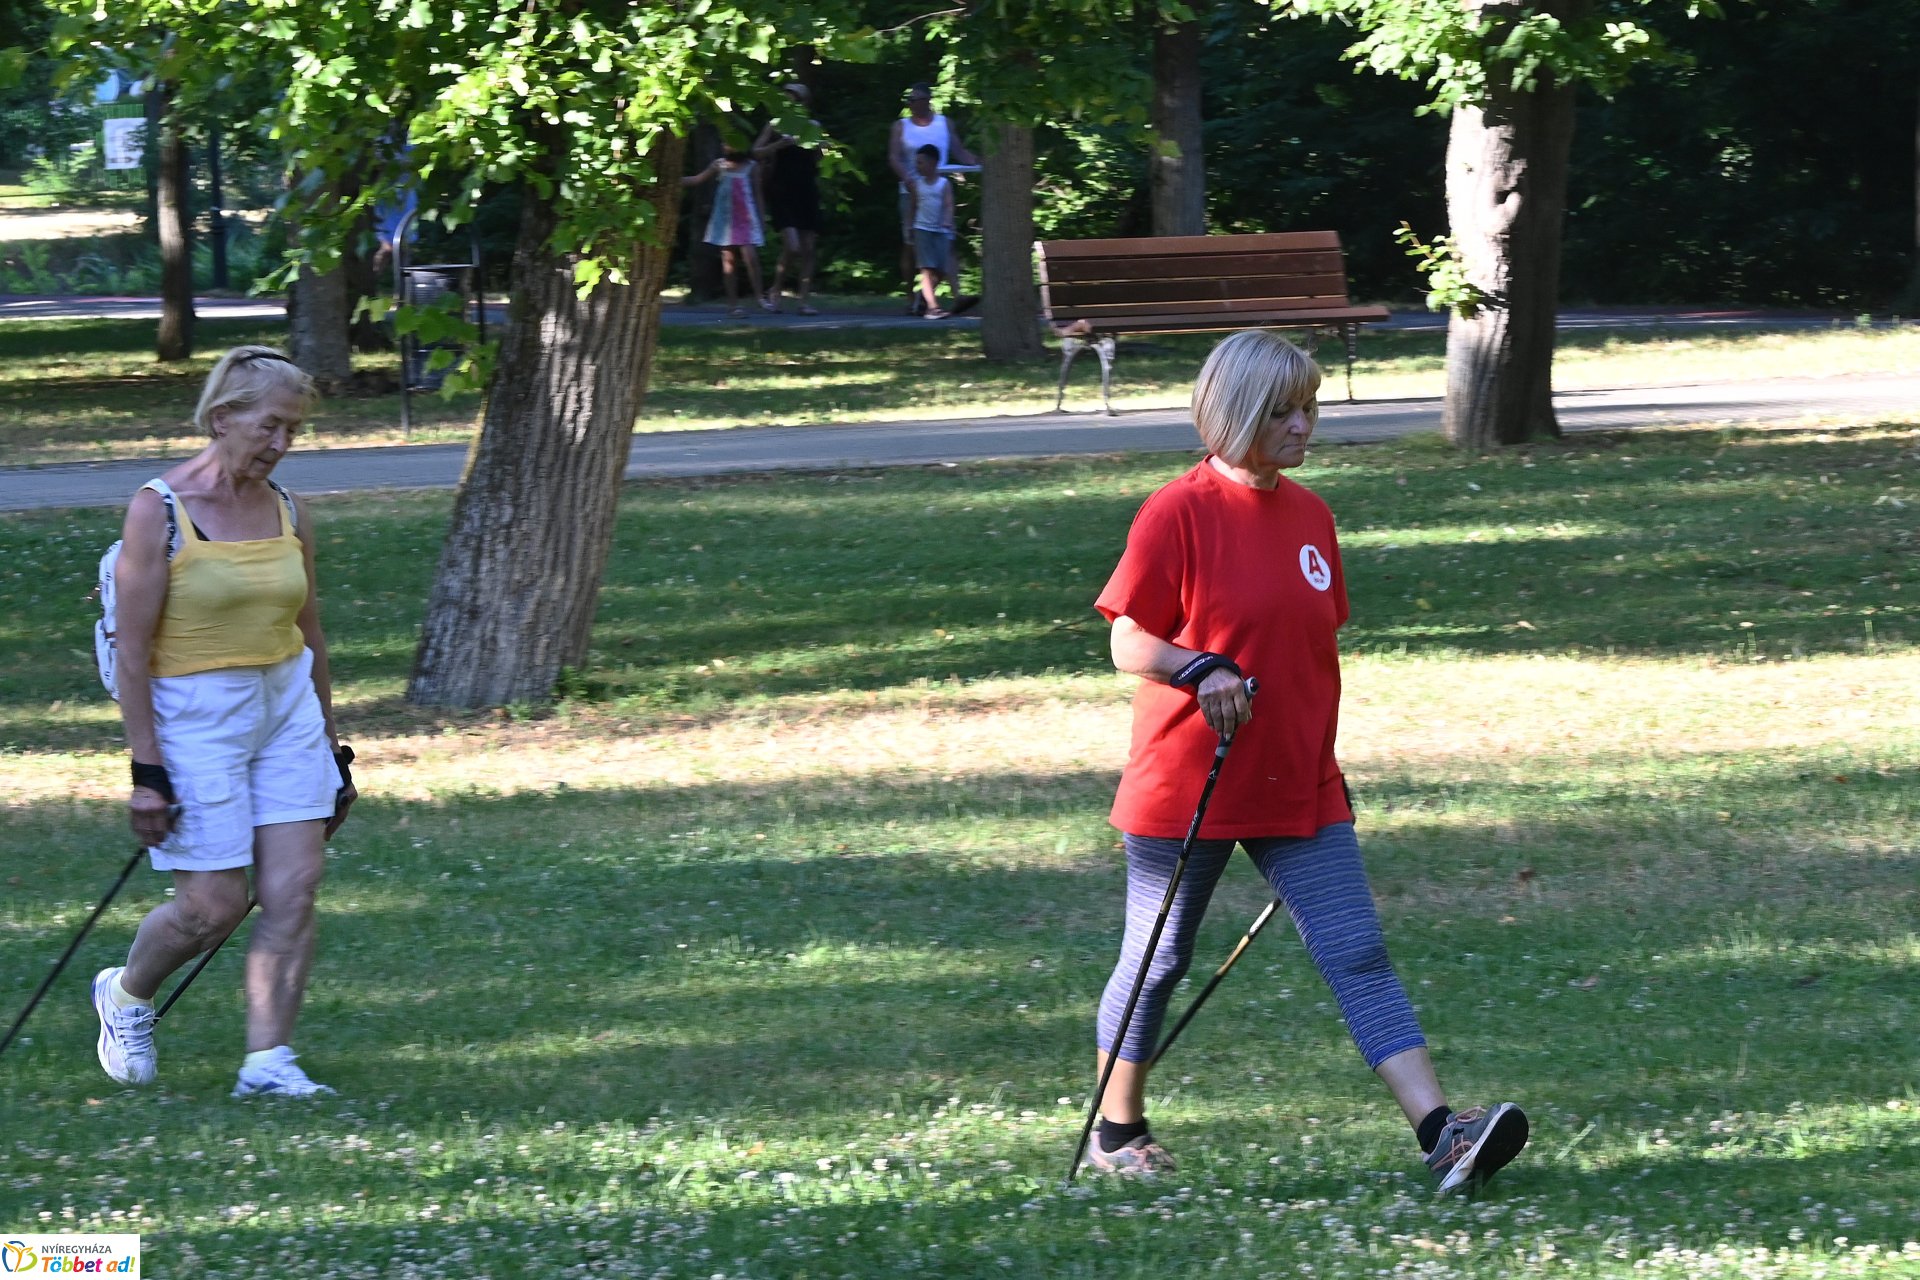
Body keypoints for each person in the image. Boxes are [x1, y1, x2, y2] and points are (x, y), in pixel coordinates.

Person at [1084, 330, 1528, 1189]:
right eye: (1283, 411)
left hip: (1300, 783)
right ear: (1238, 411)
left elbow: (1304, 652)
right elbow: (1128, 640)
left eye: (1309, 408)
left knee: (1357, 951)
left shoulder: (1311, 514)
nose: (1303, 426)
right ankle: (1116, 1127)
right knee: (1159, 958)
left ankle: (1443, 1133)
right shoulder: (1177, 512)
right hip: (1192, 782)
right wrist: (1198, 665)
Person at [92, 345, 357, 1099]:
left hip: (284, 707)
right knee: (213, 906)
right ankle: (126, 993)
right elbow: (134, 653)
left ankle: (268, 1065)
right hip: (193, 715)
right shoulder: (159, 509)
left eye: (293, 431)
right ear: (222, 418)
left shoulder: (288, 507)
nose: (281, 444)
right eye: (270, 426)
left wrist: (332, 748)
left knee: (295, 887)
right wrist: (146, 772)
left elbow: (310, 634)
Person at [888, 82, 976, 314]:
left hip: (939, 191)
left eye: (915, 100)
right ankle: (912, 298)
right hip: (913, 194)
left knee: (945, 245)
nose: (911, 104)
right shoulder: (901, 126)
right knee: (913, 248)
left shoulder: (944, 123)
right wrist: (908, 179)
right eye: (909, 100)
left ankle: (948, 297)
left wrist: (981, 164)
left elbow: (960, 151)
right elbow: (894, 157)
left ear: (927, 100)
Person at [753, 84, 823, 316]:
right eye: (787, 100)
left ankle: (804, 300)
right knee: (792, 246)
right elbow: (756, 152)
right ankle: (776, 289)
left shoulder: (812, 127)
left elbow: (819, 159)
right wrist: (778, 145)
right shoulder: (775, 125)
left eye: (796, 100)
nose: (791, 104)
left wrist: (822, 149)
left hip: (806, 190)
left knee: (809, 248)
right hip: (782, 190)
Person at [682, 147, 769, 318]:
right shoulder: (719, 165)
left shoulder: (751, 166)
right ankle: (733, 305)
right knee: (728, 261)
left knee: (751, 257)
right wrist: (670, 180)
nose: (726, 146)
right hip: (725, 219)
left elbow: (758, 194)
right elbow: (697, 179)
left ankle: (761, 298)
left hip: (746, 218)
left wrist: (761, 217)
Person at [907, 144, 956, 319]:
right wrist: (910, 226)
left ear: (933, 163)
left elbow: (949, 204)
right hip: (922, 229)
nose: (917, 166)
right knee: (926, 269)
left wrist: (947, 220)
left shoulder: (944, 184)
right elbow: (912, 207)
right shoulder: (916, 185)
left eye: (920, 163)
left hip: (941, 230)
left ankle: (923, 297)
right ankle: (932, 308)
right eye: (916, 163)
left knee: (941, 269)